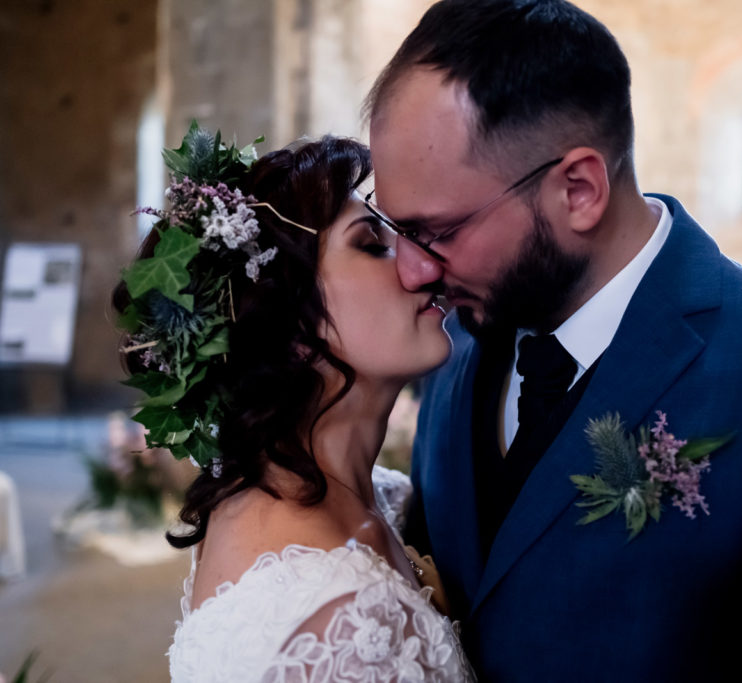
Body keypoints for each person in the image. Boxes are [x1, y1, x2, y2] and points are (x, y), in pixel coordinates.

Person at [364, 1, 742, 680]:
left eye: (439, 231)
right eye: (394, 229)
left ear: (578, 189)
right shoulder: (454, 339)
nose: (412, 269)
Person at [114, 132, 473, 681]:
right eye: (372, 245)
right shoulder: (340, 628)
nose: (422, 263)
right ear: (289, 327)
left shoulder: (363, 493)